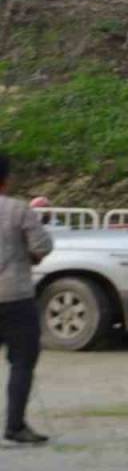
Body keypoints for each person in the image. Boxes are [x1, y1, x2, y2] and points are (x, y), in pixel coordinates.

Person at [0, 153, 54, 446]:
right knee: (22, 361)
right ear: (6, 178)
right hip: (14, 296)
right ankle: (15, 424)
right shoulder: (17, 209)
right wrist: (31, 255)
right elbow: (42, 245)